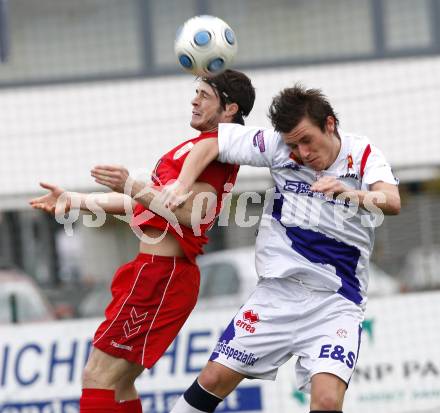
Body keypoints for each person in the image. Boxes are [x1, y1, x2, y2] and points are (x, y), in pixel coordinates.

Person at [29, 69, 255, 413]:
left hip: (161, 277)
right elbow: (146, 205)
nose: (194, 100)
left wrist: (130, 184)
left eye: (205, 96)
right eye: (196, 92)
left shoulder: (215, 148)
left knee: (97, 377)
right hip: (155, 274)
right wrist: (74, 199)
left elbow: (191, 214)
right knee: (119, 383)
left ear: (229, 109)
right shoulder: (195, 148)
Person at [164, 84, 401, 413]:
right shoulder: (277, 146)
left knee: (328, 401)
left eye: (307, 140)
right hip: (276, 296)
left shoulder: (362, 154)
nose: (302, 153)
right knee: (213, 378)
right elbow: (214, 141)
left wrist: (351, 194)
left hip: (336, 302)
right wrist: (182, 184)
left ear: (329, 124)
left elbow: (391, 201)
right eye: (294, 144)